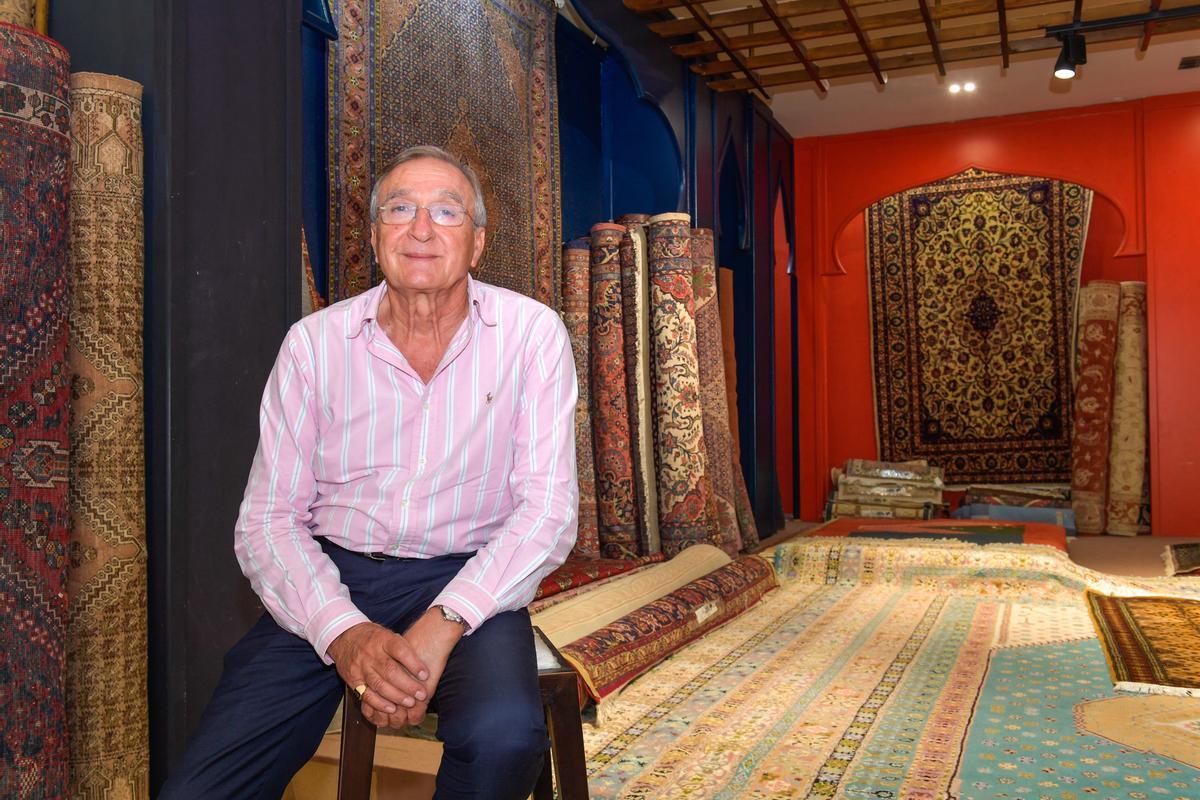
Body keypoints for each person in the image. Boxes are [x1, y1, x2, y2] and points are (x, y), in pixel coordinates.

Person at [160, 145, 579, 799]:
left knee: (505, 740)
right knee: (203, 785)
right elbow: (268, 520)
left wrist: (446, 622)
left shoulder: (532, 336)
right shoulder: (315, 345)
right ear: (376, 235)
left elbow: (546, 511)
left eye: (446, 211)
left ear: (476, 244)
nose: (420, 228)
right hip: (335, 573)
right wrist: (344, 632)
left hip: (471, 574)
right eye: (400, 209)